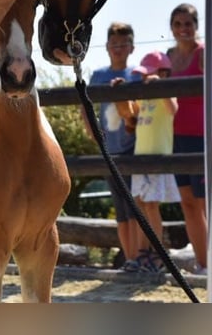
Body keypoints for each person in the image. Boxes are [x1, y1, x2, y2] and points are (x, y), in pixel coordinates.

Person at [168, 3, 212, 278]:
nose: (183, 29)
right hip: (175, 139)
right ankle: (203, 264)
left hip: (205, 138)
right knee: (188, 203)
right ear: (171, 28)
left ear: (196, 26)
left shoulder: (206, 54)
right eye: (178, 24)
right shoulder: (167, 57)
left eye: (188, 23)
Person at [113, 50, 180, 272]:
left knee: (151, 206)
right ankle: (143, 254)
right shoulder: (145, 96)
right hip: (140, 158)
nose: (144, 79)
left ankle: (157, 255)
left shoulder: (165, 94)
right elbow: (131, 113)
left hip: (156, 158)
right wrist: (121, 92)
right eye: (143, 75)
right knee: (140, 205)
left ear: (163, 73)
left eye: (148, 74)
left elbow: (174, 109)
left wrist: (161, 86)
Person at [86, 22, 141, 271]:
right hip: (108, 149)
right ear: (107, 46)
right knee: (120, 208)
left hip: (132, 148)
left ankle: (138, 257)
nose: (118, 48)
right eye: (114, 44)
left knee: (135, 207)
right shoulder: (98, 76)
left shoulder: (136, 75)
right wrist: (92, 132)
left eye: (123, 44)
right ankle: (130, 259)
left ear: (131, 47)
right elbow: (86, 108)